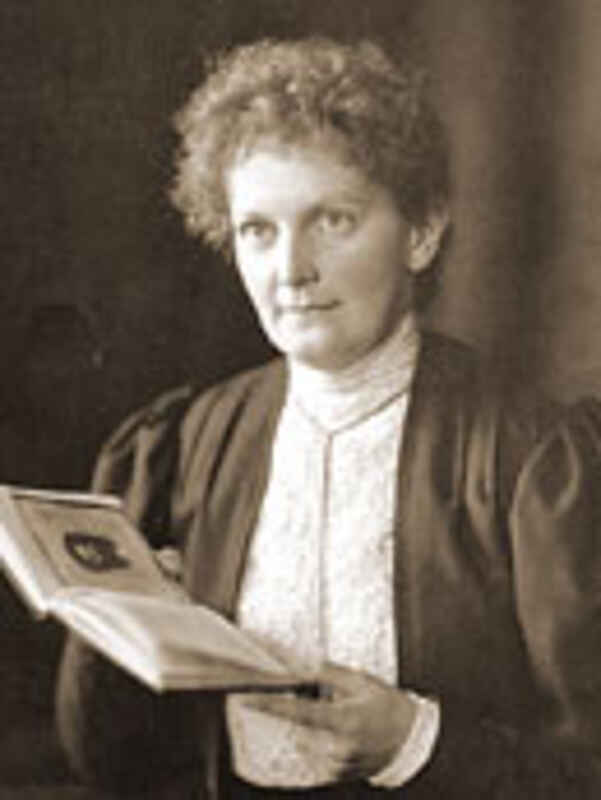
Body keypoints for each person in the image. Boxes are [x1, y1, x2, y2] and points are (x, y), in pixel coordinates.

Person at [56, 36, 601, 799]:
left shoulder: (530, 455)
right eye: (258, 230)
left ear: (421, 233)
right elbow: (111, 763)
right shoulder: (186, 442)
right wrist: (122, 622)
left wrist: (412, 741)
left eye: (334, 220)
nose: (291, 270)